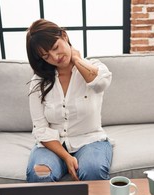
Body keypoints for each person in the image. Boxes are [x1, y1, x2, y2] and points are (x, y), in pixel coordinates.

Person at [25, 19, 113, 182]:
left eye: (55, 48)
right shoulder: (37, 83)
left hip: (90, 140)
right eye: (46, 56)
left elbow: (100, 82)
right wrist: (66, 157)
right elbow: (41, 129)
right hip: (53, 145)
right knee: (40, 173)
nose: (54, 57)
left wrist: (77, 59)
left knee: (93, 170)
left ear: (64, 36)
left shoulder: (93, 66)